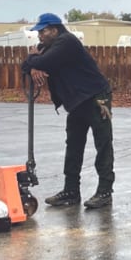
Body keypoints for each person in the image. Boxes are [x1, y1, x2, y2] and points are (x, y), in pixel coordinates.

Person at [22, 12, 115, 209]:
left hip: (95, 98)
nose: (39, 35)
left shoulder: (67, 42)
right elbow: (29, 62)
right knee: (73, 145)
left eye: (43, 31)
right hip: (77, 102)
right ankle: (71, 191)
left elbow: (40, 61)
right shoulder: (49, 46)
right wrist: (32, 66)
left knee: (103, 144)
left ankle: (105, 191)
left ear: (54, 30)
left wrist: (34, 62)